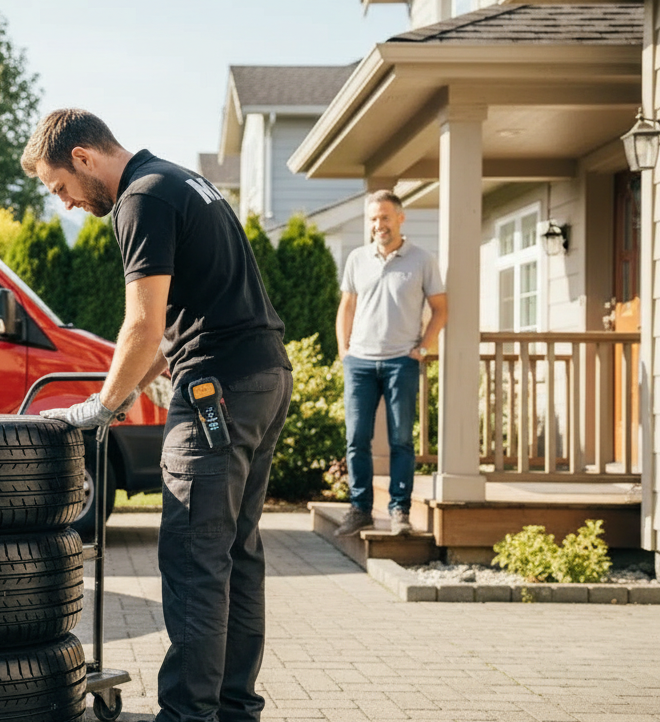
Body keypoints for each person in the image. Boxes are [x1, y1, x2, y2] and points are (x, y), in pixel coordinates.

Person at [23, 109, 292, 722]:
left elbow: (143, 325)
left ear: (84, 157)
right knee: (235, 553)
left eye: (60, 186)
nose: (65, 203)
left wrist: (100, 407)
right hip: (262, 376)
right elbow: (181, 326)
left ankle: (187, 714)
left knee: (196, 559)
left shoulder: (141, 200)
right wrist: (128, 389)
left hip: (217, 392)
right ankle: (234, 709)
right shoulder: (179, 181)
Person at [334, 190, 447, 537]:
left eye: (384, 217)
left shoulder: (422, 260)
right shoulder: (357, 259)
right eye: (373, 218)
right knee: (356, 438)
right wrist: (344, 351)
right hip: (360, 363)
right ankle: (360, 509)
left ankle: (400, 511)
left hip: (401, 361)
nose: (378, 224)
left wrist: (424, 348)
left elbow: (441, 308)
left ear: (400, 218)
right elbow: (347, 307)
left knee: (401, 440)